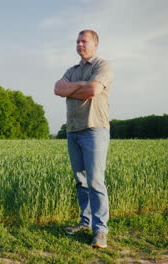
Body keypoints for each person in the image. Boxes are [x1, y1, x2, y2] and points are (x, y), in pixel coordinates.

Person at [54, 29, 114, 248]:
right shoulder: (72, 70)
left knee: (96, 180)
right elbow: (57, 88)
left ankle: (100, 231)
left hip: (94, 129)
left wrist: (74, 89)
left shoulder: (102, 66)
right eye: (77, 41)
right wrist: (81, 86)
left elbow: (94, 90)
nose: (80, 44)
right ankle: (85, 221)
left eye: (84, 41)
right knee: (80, 180)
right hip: (73, 130)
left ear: (95, 44)